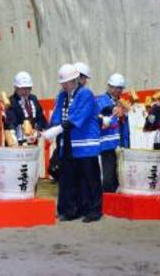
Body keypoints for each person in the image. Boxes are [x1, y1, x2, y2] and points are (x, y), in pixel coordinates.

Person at [44, 64, 102, 222]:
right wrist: (48, 129)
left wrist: (57, 129)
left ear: (75, 80)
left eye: (66, 82)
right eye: (62, 82)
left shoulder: (86, 94)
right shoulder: (62, 96)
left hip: (86, 143)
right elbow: (57, 116)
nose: (63, 85)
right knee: (68, 178)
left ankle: (94, 211)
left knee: (90, 179)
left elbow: (79, 117)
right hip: (69, 143)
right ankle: (70, 210)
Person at [96, 73, 130, 193]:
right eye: (116, 88)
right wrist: (112, 109)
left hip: (120, 144)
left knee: (118, 178)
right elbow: (101, 112)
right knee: (108, 177)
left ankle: (114, 200)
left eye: (120, 88)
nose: (118, 91)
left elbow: (124, 126)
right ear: (109, 87)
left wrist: (126, 144)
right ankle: (106, 199)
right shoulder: (101, 100)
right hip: (107, 145)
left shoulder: (121, 102)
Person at [4, 71, 47, 146]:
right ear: (16, 88)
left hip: (32, 141)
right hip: (16, 141)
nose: (25, 91)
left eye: (28, 88)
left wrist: (37, 130)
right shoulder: (11, 101)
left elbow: (41, 118)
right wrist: (13, 133)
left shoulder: (33, 99)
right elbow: (11, 121)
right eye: (22, 88)